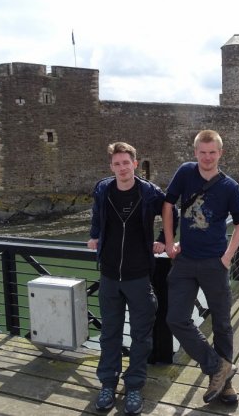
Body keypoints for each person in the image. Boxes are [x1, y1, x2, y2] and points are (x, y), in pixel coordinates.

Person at [87, 142, 177, 415]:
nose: (122, 168)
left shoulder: (149, 193)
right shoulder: (103, 189)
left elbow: (173, 212)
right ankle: (107, 384)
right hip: (110, 276)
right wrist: (94, 235)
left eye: (126, 163)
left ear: (135, 164)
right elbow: (96, 215)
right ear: (111, 166)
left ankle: (135, 386)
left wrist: (164, 240)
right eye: (117, 164)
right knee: (109, 335)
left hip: (139, 276)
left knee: (141, 336)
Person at [162, 129, 239, 404]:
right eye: (202, 152)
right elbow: (167, 204)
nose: (207, 157)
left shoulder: (230, 186)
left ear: (220, 153)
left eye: (212, 152)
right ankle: (218, 366)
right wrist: (169, 240)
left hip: (214, 262)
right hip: (185, 260)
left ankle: (224, 384)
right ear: (195, 152)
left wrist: (227, 258)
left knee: (222, 323)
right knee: (176, 318)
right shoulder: (186, 172)